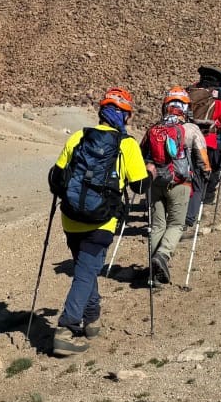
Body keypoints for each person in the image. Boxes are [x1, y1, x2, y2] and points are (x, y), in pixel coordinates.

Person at [47, 88, 148, 357]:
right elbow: (140, 186)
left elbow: (56, 179)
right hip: (102, 221)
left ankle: (92, 320)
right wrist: (149, 171)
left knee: (85, 270)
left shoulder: (79, 137)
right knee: (86, 273)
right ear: (124, 116)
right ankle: (66, 330)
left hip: (71, 218)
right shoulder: (127, 145)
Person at [145, 90, 213, 285]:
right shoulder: (190, 129)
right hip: (180, 183)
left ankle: (153, 272)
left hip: (156, 183)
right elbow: (202, 158)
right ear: (186, 108)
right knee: (176, 224)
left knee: (157, 225)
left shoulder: (154, 128)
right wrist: (206, 173)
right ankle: (163, 255)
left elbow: (143, 153)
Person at [184, 69, 221, 226]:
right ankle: (191, 213)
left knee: (182, 175)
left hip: (182, 140)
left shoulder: (185, 92)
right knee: (200, 178)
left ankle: (178, 207)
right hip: (208, 143)